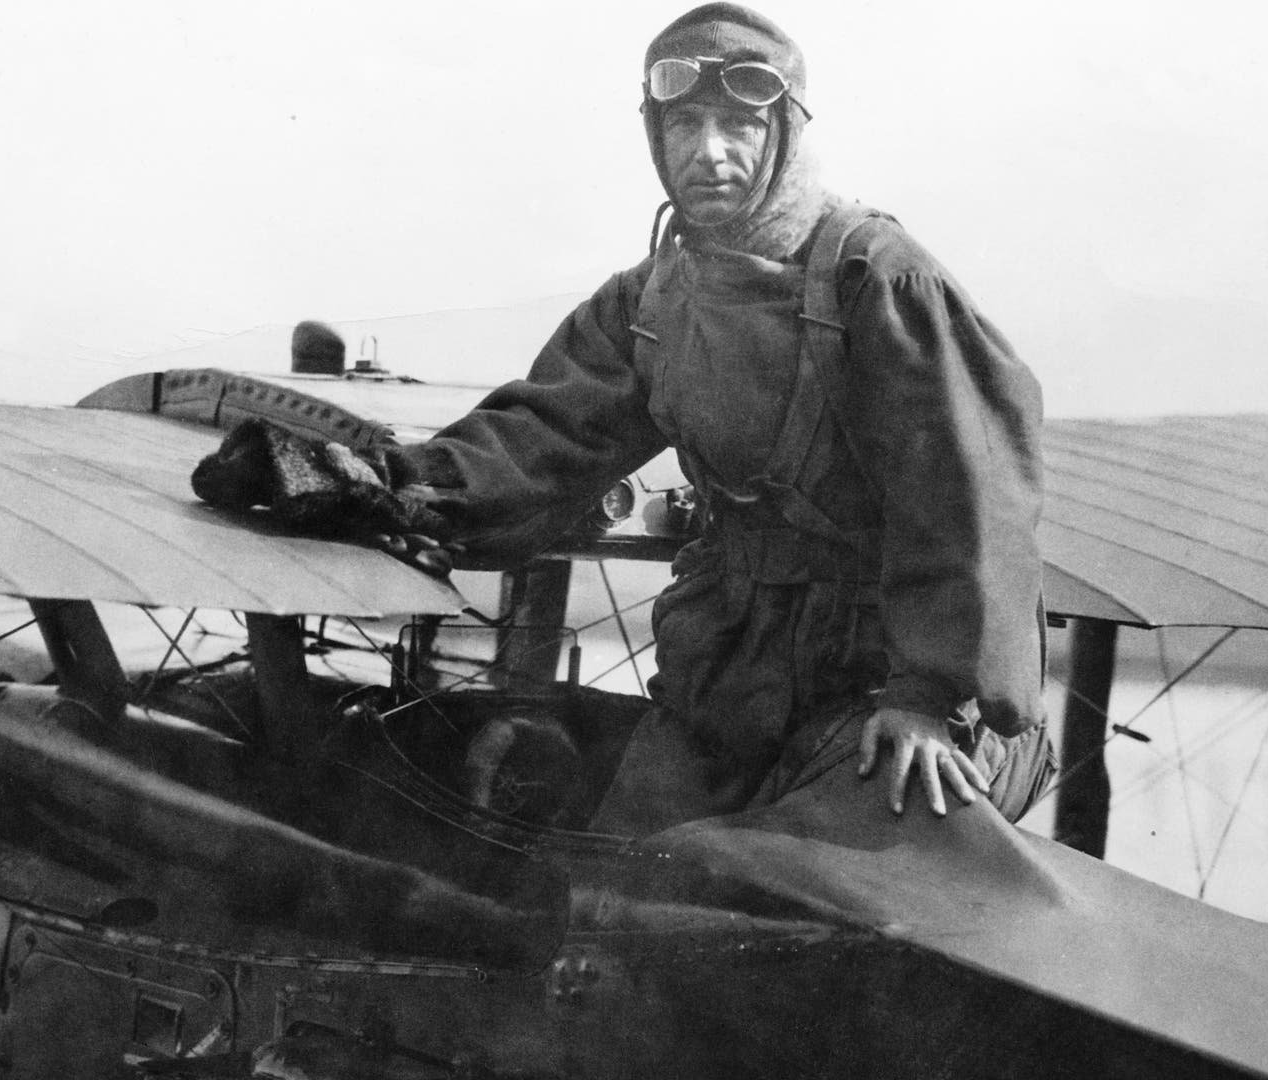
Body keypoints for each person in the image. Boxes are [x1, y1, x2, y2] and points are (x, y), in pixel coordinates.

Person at [387, 2, 1055, 836]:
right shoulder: (653, 299)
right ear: (653, 136)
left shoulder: (879, 282)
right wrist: (396, 490)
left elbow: (970, 499)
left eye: (738, 125)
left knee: (835, 882)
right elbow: (547, 436)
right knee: (625, 870)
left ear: (786, 131)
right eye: (682, 125)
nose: (707, 153)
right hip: (732, 666)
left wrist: (927, 695)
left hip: (888, 677)